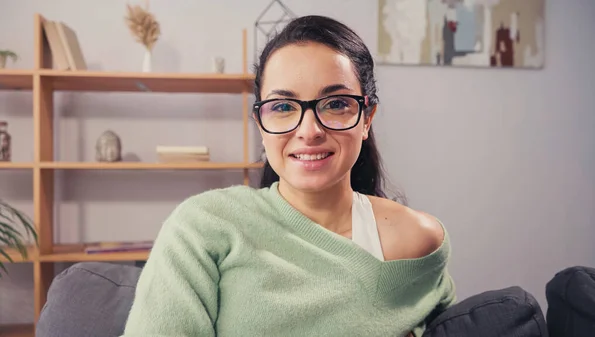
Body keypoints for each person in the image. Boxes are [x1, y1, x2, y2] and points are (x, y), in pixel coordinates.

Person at [121, 15, 456, 337]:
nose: (309, 131)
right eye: (283, 107)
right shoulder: (203, 225)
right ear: (260, 125)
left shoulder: (418, 240)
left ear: (366, 118)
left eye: (336, 103)